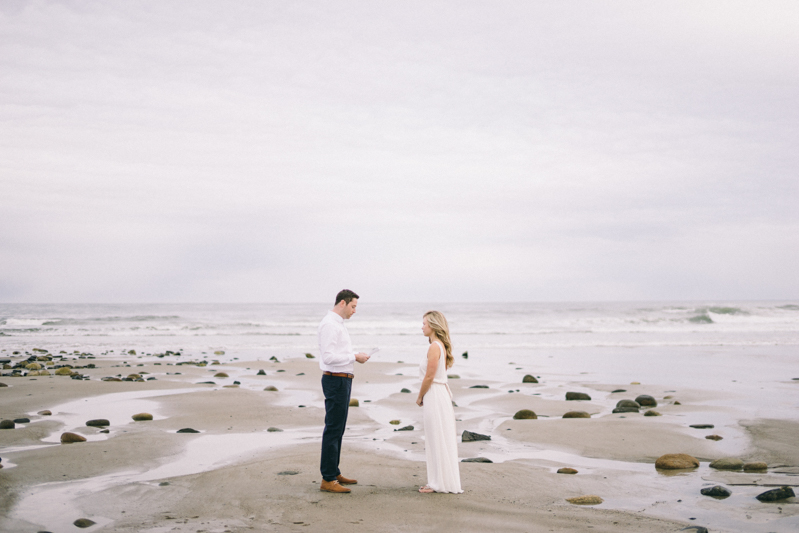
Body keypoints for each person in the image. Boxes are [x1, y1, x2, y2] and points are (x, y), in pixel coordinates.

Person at [318, 289, 371, 493]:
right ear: (342, 303)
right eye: (353, 306)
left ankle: (334, 471)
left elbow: (338, 353)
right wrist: (354, 357)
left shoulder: (337, 324)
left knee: (338, 428)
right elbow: (329, 357)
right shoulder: (330, 324)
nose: (354, 311)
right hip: (335, 380)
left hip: (342, 380)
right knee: (333, 428)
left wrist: (354, 356)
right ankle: (328, 479)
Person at [416, 310, 463, 494]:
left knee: (436, 438)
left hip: (434, 394)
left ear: (433, 326)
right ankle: (439, 481)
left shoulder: (434, 347)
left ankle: (437, 483)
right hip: (439, 393)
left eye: (424, 323)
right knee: (439, 437)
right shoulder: (440, 345)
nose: (422, 327)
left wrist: (420, 396)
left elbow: (429, 376)